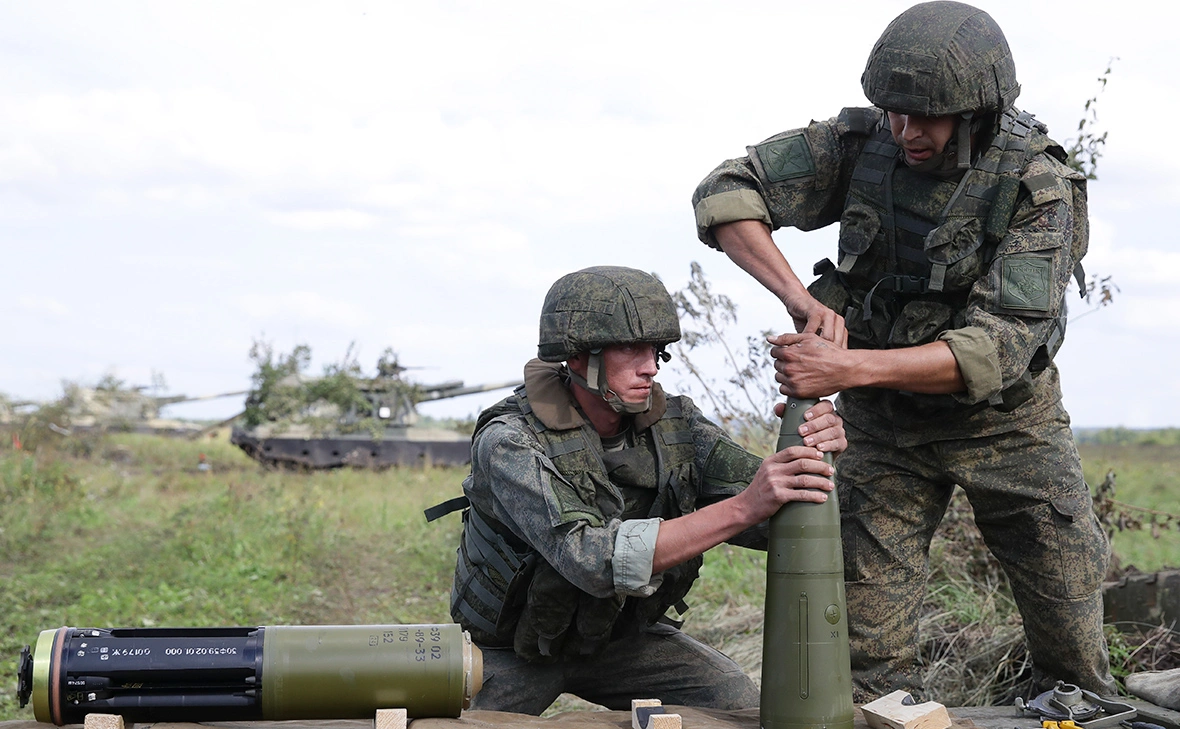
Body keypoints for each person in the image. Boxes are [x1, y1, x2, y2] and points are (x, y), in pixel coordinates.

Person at [691, 0, 1116, 701]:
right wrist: (802, 302)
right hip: (885, 427)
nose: (905, 131)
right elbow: (726, 192)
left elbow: (994, 350)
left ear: (976, 113)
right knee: (864, 657)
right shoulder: (862, 146)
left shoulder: (1037, 189)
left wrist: (844, 367)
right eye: (894, 112)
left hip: (1009, 426)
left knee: (1070, 631)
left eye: (926, 118)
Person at [432, 265, 846, 714]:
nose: (650, 367)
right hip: (512, 650)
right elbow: (592, 560)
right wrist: (747, 505)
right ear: (576, 357)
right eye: (630, 349)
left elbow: (779, 516)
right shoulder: (510, 441)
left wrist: (814, 451)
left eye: (655, 350)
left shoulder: (678, 426)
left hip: (618, 642)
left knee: (737, 706)